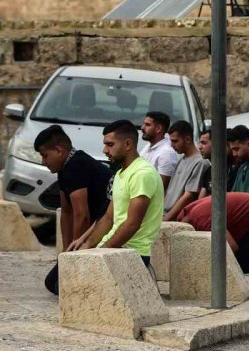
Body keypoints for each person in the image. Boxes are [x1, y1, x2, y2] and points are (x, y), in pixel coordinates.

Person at [51, 121, 164, 293]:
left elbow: (132, 224)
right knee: (57, 281)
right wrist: (87, 246)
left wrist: (102, 253)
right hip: (112, 250)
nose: (105, 150)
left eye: (110, 144)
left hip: (131, 254)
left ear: (127, 144)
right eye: (105, 145)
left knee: (69, 288)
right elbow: (109, 218)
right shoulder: (120, 174)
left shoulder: (142, 174)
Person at [35, 126, 113, 295]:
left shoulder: (76, 166)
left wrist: (75, 256)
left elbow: (81, 214)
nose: (43, 162)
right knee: (53, 282)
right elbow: (67, 212)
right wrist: (65, 251)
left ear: (59, 150)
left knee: (60, 285)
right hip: (90, 229)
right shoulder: (65, 168)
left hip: (102, 227)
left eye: (45, 155)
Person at [178, 192, 249, 272]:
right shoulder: (183, 214)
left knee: (241, 266)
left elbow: (231, 247)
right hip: (248, 211)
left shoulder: (203, 222)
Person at [162, 121, 207, 221]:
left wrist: (167, 218)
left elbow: (189, 196)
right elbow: (169, 192)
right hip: (164, 214)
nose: (172, 145)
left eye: (175, 141)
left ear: (187, 139)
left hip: (176, 218)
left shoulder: (200, 162)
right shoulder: (181, 160)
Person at [139, 110, 177, 190]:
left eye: (147, 125)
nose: (142, 128)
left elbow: (160, 188)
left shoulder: (166, 152)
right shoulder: (148, 146)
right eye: (144, 124)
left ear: (158, 128)